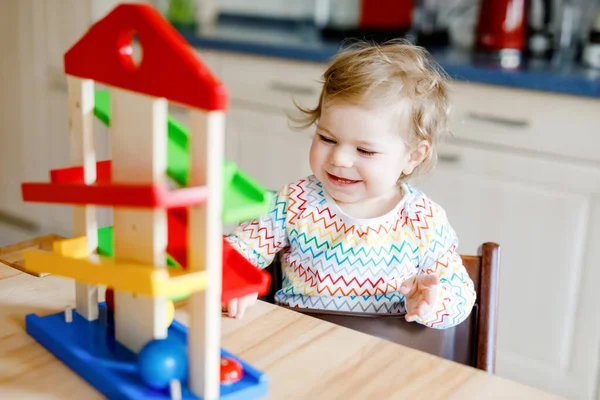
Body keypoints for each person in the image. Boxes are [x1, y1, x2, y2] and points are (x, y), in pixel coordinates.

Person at [223, 39, 476, 330]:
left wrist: (433, 301)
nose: (340, 159)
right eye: (327, 139)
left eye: (365, 150)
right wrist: (237, 281)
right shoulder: (295, 202)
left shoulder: (423, 220)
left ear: (413, 156)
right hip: (297, 343)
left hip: (385, 356)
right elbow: (236, 251)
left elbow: (460, 294)